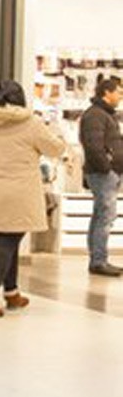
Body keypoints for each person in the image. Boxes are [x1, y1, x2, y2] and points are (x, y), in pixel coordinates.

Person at [0, 81, 66, 317]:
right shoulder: (30, 122)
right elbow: (54, 149)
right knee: (7, 243)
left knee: (5, 238)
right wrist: (59, 139)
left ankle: (11, 292)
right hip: (20, 192)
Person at [79, 76, 123, 277]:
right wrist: (107, 168)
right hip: (103, 174)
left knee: (100, 215)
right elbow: (93, 146)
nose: (121, 96)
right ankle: (99, 260)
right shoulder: (95, 115)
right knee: (105, 216)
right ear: (107, 93)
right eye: (119, 92)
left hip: (107, 173)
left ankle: (97, 259)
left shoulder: (105, 114)